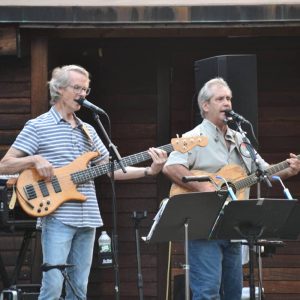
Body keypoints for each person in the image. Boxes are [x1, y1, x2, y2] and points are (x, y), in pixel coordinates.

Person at [0, 65, 167, 300]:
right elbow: (4, 164)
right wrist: (35, 160)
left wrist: (149, 170)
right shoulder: (38, 126)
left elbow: (110, 169)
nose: (82, 94)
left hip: (88, 215)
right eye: (77, 88)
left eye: (86, 90)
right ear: (58, 89)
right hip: (57, 215)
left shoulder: (88, 129)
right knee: (53, 285)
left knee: (79, 288)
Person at [163, 77, 300, 300]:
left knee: (233, 293)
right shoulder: (192, 137)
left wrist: (289, 169)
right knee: (207, 292)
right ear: (205, 106)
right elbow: (171, 167)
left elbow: (264, 172)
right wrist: (205, 187)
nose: (227, 103)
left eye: (229, 98)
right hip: (204, 224)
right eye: (220, 98)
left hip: (234, 225)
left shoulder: (241, 139)